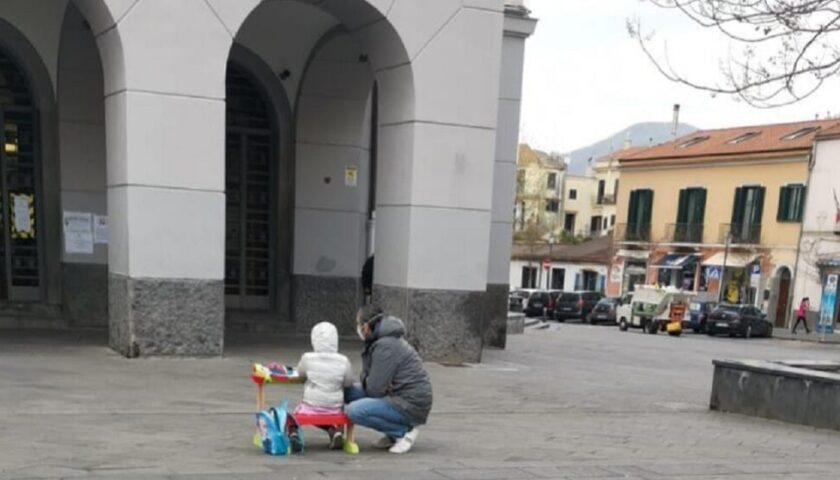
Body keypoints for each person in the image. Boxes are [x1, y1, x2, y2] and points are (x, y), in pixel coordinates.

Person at [344, 304, 432, 454]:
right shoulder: (379, 340)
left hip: (409, 404)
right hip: (396, 394)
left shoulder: (386, 345)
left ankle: (403, 431)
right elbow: (373, 381)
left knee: (354, 411)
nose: (357, 328)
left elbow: (373, 389)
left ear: (365, 326)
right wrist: (377, 382)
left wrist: (375, 382)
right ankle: (392, 434)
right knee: (347, 392)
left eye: (358, 324)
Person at [292, 322, 355, 450]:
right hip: (335, 407)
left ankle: (293, 434)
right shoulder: (344, 360)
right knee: (326, 415)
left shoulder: (307, 358)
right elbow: (348, 382)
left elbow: (300, 373)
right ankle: (334, 431)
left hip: (311, 405)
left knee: (295, 415)